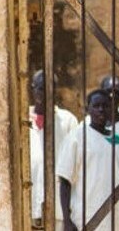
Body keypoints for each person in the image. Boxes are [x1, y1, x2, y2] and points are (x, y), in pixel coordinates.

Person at [56, 89, 119, 231]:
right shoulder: (76, 137)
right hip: (88, 213)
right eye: (96, 106)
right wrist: (67, 220)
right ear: (87, 109)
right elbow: (65, 181)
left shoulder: (116, 139)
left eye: (105, 106)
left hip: (117, 213)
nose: (101, 110)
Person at [29, 70, 79, 228]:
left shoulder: (68, 120)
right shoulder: (22, 119)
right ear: (32, 88)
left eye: (50, 88)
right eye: (40, 88)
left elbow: (76, 163)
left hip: (58, 204)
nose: (45, 93)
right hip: (29, 199)